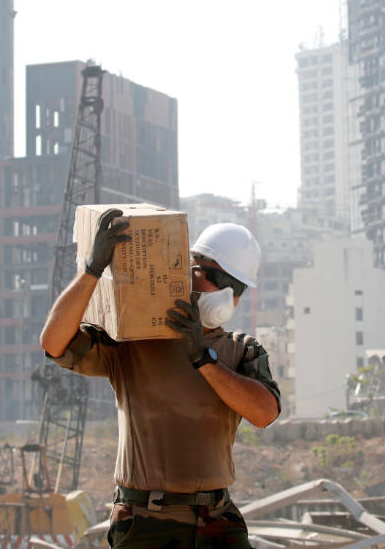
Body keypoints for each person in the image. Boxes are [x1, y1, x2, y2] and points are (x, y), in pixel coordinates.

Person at [40, 209, 280, 548]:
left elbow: (265, 413)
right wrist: (92, 270)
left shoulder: (241, 351)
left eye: (234, 286)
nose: (225, 293)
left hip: (216, 519)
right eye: (209, 274)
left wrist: (203, 358)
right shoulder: (135, 339)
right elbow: (53, 343)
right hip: (144, 521)